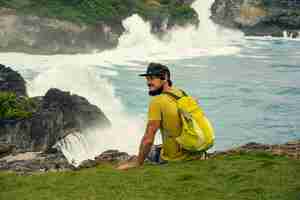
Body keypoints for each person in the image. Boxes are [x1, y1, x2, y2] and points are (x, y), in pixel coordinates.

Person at [117, 63, 201, 170]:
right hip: (194, 153)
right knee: (159, 146)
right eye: (147, 79)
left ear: (165, 77)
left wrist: (138, 163)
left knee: (149, 150)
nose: (148, 83)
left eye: (152, 78)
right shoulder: (181, 93)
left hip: (175, 159)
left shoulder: (157, 102)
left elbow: (148, 139)